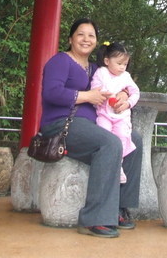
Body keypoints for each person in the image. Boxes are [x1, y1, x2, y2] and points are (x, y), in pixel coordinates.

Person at [40, 17, 143, 238]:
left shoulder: (97, 68)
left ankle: (119, 208)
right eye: (80, 34)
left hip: (91, 125)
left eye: (91, 35)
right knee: (110, 143)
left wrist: (124, 94)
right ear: (70, 39)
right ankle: (95, 218)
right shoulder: (60, 61)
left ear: (96, 42)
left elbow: (119, 82)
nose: (86, 39)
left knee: (134, 140)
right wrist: (87, 96)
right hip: (62, 124)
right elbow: (51, 92)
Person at [91, 41, 140, 183]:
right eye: (119, 63)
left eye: (125, 64)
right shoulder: (101, 73)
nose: (122, 67)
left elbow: (135, 92)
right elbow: (95, 88)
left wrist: (128, 103)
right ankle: (105, 163)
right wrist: (108, 95)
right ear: (107, 61)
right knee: (105, 135)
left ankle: (118, 164)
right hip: (104, 113)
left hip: (121, 116)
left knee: (122, 136)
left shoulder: (126, 76)